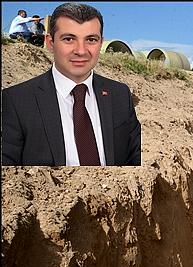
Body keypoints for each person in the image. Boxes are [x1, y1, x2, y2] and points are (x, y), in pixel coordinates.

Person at [2, 2, 141, 166]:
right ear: (50, 43)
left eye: (91, 39)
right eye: (69, 39)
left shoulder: (120, 94)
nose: (81, 51)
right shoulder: (16, 100)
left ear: (100, 44)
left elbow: (135, 154)